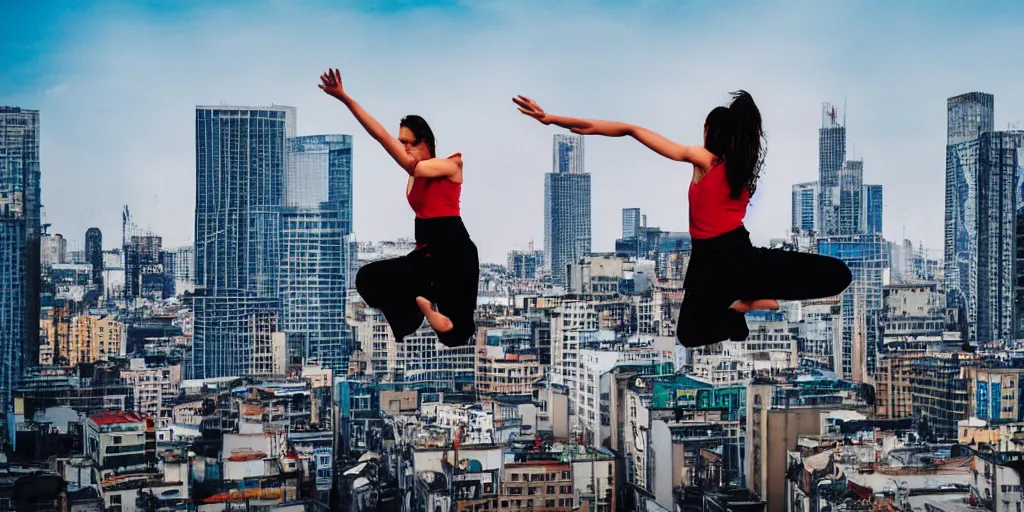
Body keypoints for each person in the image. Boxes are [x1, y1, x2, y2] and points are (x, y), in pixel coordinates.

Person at [513, 91, 852, 348]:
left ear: (709, 131)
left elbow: (630, 130)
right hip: (741, 256)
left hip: (710, 263)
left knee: (689, 335)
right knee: (838, 276)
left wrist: (552, 119)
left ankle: (744, 305)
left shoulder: (703, 159)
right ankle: (748, 303)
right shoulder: (743, 171)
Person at [320, 68, 479, 347]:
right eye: (401, 142)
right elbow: (381, 137)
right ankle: (421, 302)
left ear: (425, 142)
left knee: (456, 334)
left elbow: (386, 142)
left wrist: (347, 99)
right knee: (367, 279)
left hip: (455, 253)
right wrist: (345, 99)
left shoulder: (452, 165)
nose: (403, 147)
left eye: (409, 143)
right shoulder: (412, 177)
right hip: (425, 256)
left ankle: (425, 302)